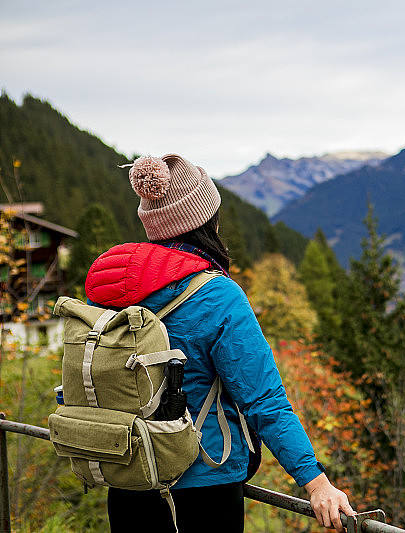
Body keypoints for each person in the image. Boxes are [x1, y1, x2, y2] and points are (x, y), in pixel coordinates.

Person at [84, 153, 355, 532]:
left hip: (129, 480)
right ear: (206, 220)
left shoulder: (109, 291)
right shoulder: (217, 295)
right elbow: (264, 401)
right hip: (205, 487)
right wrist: (316, 482)